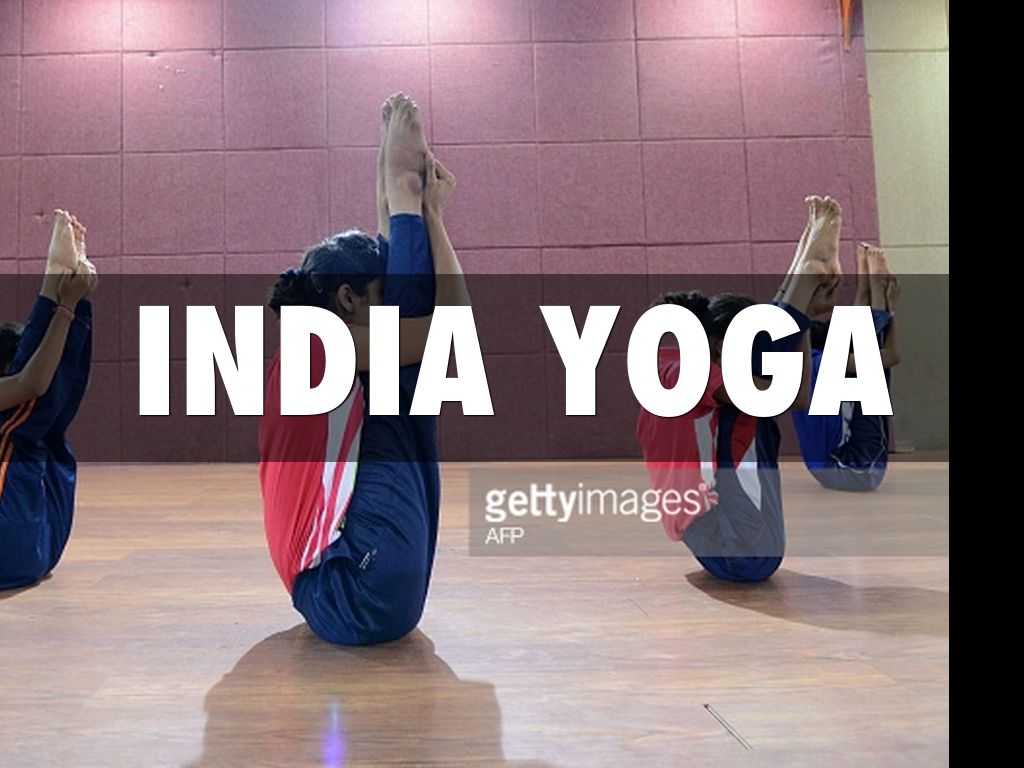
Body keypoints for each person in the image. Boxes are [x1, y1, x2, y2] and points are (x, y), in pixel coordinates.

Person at [259, 93, 469, 645]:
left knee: (402, 389)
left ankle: (401, 195)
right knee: (407, 384)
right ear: (348, 299)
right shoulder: (316, 347)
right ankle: (403, 195)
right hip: (352, 591)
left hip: (348, 589)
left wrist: (398, 189)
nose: (391, 303)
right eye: (381, 293)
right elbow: (453, 330)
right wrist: (426, 212)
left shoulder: (320, 342)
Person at [636, 197, 841, 583]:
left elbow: (796, 397)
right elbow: (785, 388)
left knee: (754, 395)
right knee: (755, 388)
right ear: (716, 346)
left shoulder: (675, 370)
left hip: (719, 535)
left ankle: (805, 269)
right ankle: (806, 272)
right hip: (743, 549)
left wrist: (804, 315)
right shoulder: (688, 373)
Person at [0, 210, 98, 590]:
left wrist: (78, 301)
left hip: (35, 547)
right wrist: (59, 297)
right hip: (14, 551)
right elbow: (31, 383)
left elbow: (65, 385)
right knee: (30, 417)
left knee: (53, 421)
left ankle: (67, 279)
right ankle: (58, 280)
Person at [791, 242, 901, 491]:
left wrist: (866, 288)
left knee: (865, 363)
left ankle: (872, 291)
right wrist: (891, 307)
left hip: (827, 466)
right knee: (872, 371)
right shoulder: (826, 363)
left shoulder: (806, 360)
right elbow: (891, 356)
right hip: (856, 468)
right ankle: (877, 296)